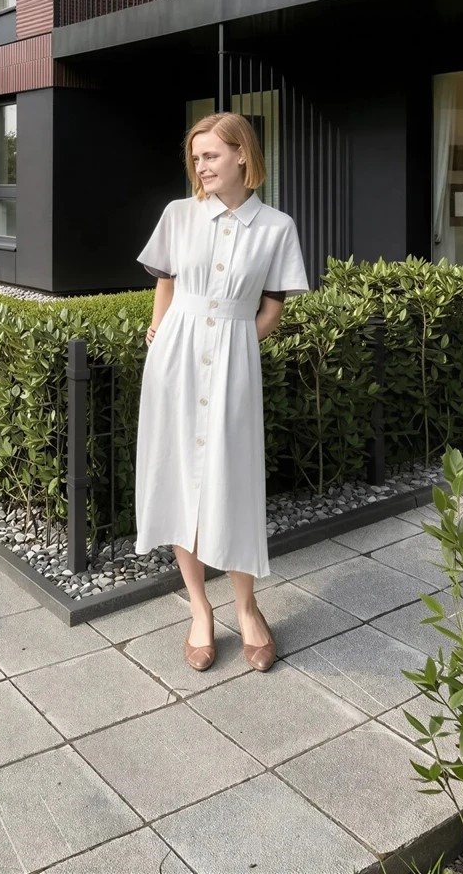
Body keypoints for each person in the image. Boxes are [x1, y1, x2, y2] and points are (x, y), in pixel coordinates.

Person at [133, 111, 309, 672]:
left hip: (235, 362)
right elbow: (166, 284)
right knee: (177, 478)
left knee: (233, 482)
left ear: (241, 155)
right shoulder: (178, 215)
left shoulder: (276, 227)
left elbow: (273, 307)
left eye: (211, 155)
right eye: (196, 157)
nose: (201, 166)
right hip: (174, 362)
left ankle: (248, 608)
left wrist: (238, 347)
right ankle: (200, 610)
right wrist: (158, 334)